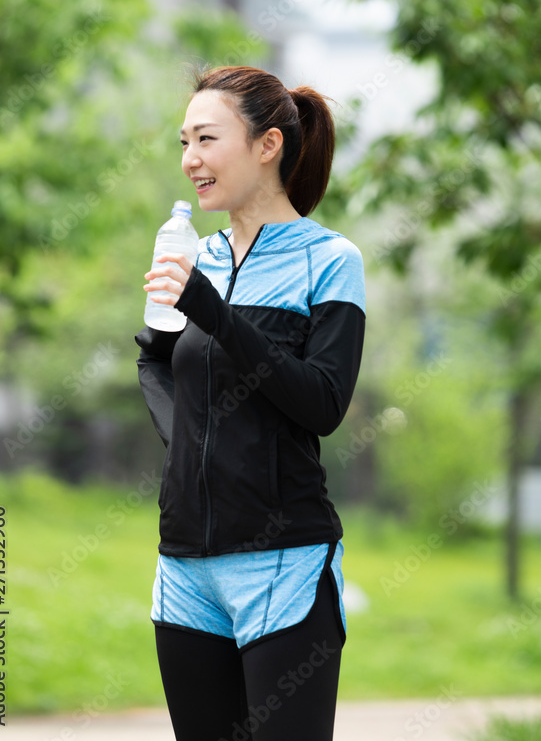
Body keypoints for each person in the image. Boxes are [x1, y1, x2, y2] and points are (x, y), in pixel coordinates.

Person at [134, 65, 367, 741]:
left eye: (206, 139)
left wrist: (213, 310)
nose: (189, 160)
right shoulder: (193, 253)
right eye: (183, 142)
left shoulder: (330, 260)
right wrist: (190, 446)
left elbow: (322, 401)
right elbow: (154, 358)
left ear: (267, 145)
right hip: (183, 566)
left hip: (283, 565)